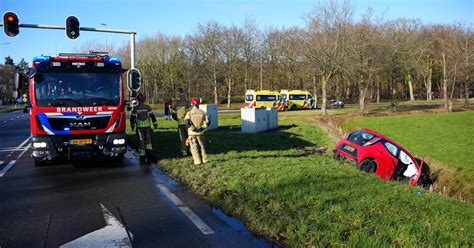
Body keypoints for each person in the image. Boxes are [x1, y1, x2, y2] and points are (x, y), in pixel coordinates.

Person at [130, 93, 158, 164]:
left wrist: (132, 126)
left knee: (141, 142)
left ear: (138, 100)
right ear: (144, 99)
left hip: (139, 128)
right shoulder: (148, 107)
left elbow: (132, 119)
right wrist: (155, 125)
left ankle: (142, 158)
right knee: (148, 142)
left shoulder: (135, 108)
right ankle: (149, 157)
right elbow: (153, 117)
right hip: (147, 128)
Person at [184, 98, 210, 165]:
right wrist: (201, 128)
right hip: (200, 133)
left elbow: (187, 123)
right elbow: (208, 122)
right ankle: (205, 160)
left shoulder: (189, 113)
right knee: (202, 146)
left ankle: (197, 161)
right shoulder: (203, 112)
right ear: (198, 104)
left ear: (191, 104)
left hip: (192, 134)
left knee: (194, 148)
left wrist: (193, 129)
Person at [172, 90, 190, 156]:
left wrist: (177, 119)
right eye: (185, 96)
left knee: (182, 138)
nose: (185, 97)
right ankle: (189, 150)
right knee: (189, 137)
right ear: (183, 97)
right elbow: (190, 113)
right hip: (187, 124)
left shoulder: (176, 104)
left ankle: (184, 152)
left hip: (180, 124)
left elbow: (173, 115)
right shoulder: (187, 104)